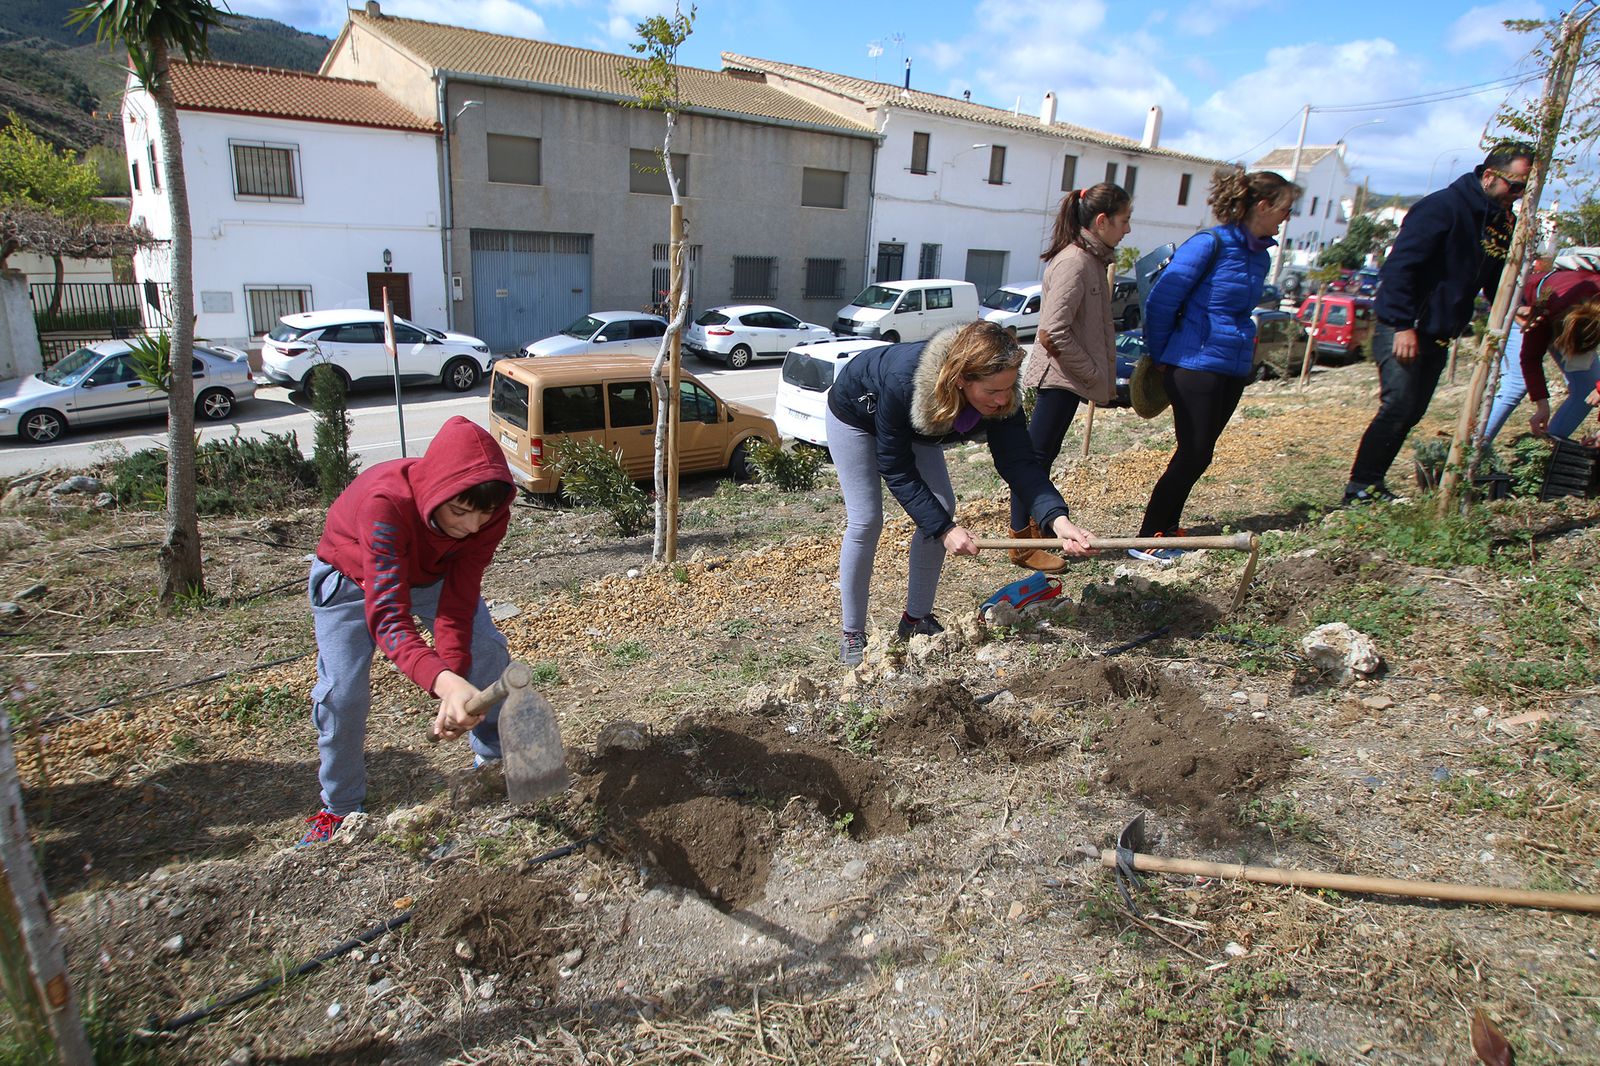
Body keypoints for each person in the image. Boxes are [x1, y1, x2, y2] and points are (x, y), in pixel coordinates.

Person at [826, 320, 1097, 666]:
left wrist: (1058, 521)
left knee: (941, 506)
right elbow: (895, 467)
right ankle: (852, 633)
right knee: (866, 520)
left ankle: (916, 620)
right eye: (992, 393)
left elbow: (1020, 463)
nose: (1002, 400)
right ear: (961, 380)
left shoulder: (1003, 396)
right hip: (857, 411)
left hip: (921, 422)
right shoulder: (903, 382)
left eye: (1008, 388)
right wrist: (944, 530)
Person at [299, 415, 517, 845]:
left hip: (432, 576)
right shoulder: (386, 503)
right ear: (437, 491)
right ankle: (339, 807)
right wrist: (444, 683)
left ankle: (492, 760)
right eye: (459, 511)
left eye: (483, 515)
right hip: (351, 578)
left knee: (487, 651)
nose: (472, 527)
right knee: (343, 693)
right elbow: (388, 616)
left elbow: (456, 604)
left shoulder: (490, 516)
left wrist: (454, 687)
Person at [1344, 142, 1533, 503]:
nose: (1519, 195)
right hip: (1404, 326)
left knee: (1412, 411)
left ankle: (1372, 484)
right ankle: (1359, 488)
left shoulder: (1497, 221)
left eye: (1525, 188)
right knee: (1398, 405)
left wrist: (1515, 306)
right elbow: (1400, 269)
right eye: (1516, 186)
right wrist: (1402, 324)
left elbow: (1494, 276)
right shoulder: (1441, 207)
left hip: (1439, 332)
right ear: (1490, 176)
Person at [1130, 166, 1301, 564]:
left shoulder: (1259, 254)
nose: (1286, 218)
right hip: (1193, 363)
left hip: (1231, 365)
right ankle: (1148, 537)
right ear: (1262, 205)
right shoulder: (1210, 244)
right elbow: (1161, 302)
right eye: (1284, 208)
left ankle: (1167, 528)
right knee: (1194, 452)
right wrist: (1157, 354)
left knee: (1200, 453)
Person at [1007, 182, 1132, 573]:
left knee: (1038, 459)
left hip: (1068, 377)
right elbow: (1052, 332)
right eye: (1124, 220)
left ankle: (1029, 539)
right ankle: (1023, 545)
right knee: (1033, 461)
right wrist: (1093, 372)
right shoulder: (1075, 262)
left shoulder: (1092, 260)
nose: (1128, 230)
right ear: (1101, 220)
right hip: (1058, 378)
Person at [1512, 251, 1600, 441]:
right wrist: (1541, 405)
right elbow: (1530, 358)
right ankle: (1551, 445)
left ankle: (1553, 441)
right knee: (1587, 388)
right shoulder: (1543, 311)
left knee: (1590, 386)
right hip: (1521, 302)